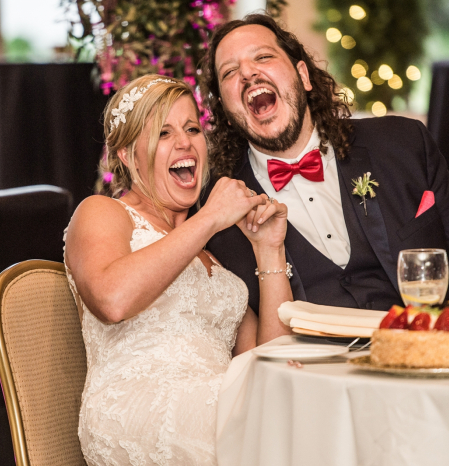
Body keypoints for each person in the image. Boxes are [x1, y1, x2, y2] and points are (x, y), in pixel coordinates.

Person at [63, 74, 291, 465]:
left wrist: (269, 250)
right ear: (127, 155)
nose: (185, 142)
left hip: (217, 401)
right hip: (139, 406)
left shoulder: (211, 256)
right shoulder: (103, 212)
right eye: (164, 134)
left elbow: (268, 361)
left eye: (191, 128)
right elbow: (112, 299)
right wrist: (209, 219)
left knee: (294, 403)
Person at [200, 14, 449, 313]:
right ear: (225, 110)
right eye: (230, 72)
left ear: (304, 76)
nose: (248, 74)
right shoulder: (217, 212)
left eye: (263, 56)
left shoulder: (403, 144)